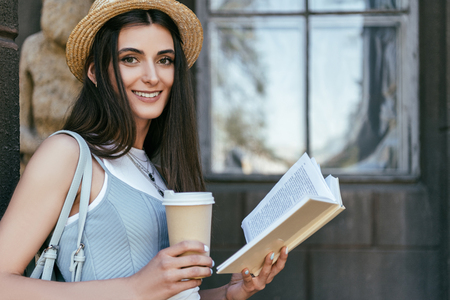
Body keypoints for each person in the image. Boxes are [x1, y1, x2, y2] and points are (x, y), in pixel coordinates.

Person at [0, 0, 288, 299]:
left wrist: (229, 293)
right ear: (95, 72)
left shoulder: (158, 173)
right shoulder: (68, 155)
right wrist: (135, 288)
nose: (152, 76)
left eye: (164, 60)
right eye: (130, 59)